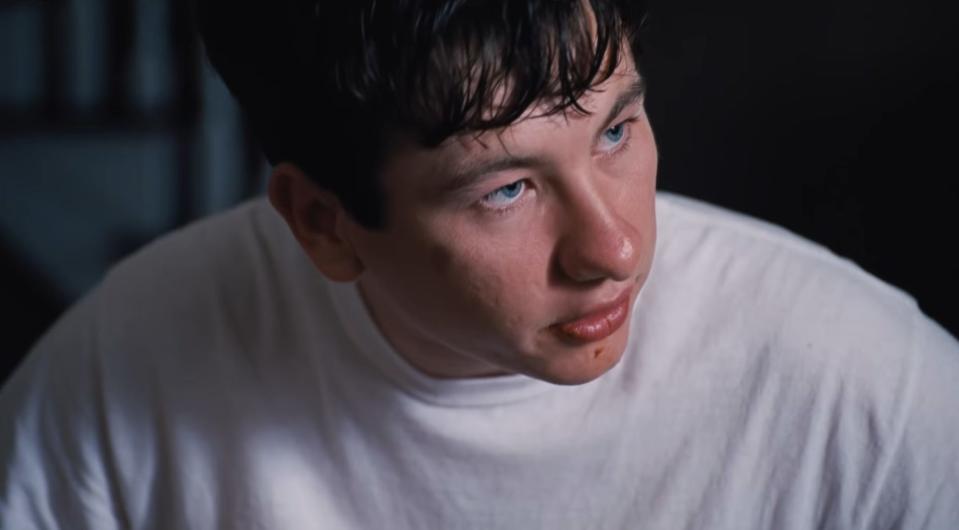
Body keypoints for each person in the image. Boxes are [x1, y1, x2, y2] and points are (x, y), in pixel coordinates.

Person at [2, 1, 957, 528]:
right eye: (505, 190)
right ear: (323, 223)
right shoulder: (113, 379)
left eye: (617, 130)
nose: (615, 248)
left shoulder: (864, 386)